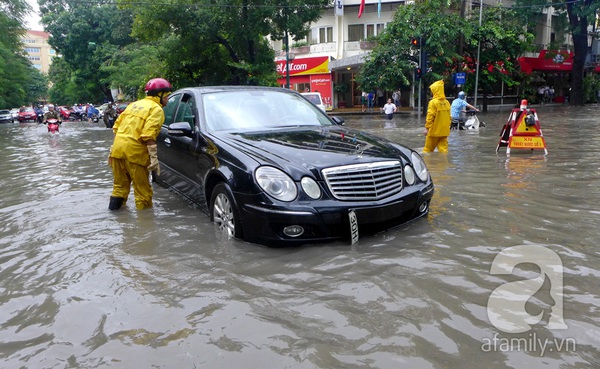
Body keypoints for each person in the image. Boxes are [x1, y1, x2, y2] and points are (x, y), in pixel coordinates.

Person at [107, 77, 172, 210]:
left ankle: (116, 217)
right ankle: (145, 226)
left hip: (118, 151)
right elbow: (148, 135)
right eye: (167, 96)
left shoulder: (133, 105)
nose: (168, 100)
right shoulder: (156, 109)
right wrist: (154, 158)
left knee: (119, 188)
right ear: (159, 95)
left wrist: (113, 148)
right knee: (143, 192)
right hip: (135, 154)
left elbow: (116, 128)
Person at [423, 80, 451, 153]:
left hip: (434, 132)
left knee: (427, 151)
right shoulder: (447, 102)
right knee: (443, 152)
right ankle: (443, 164)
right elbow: (449, 117)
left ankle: (427, 164)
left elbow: (430, 116)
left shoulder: (433, 102)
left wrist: (427, 128)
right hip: (444, 132)